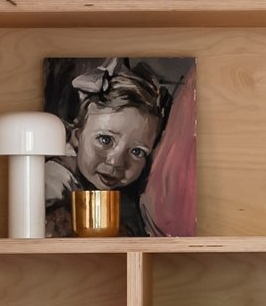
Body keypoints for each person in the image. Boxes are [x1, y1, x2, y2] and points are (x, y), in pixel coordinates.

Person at [43, 58, 174, 236]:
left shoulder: (129, 196)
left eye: (137, 152)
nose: (116, 162)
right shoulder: (56, 176)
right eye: (105, 140)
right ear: (76, 137)